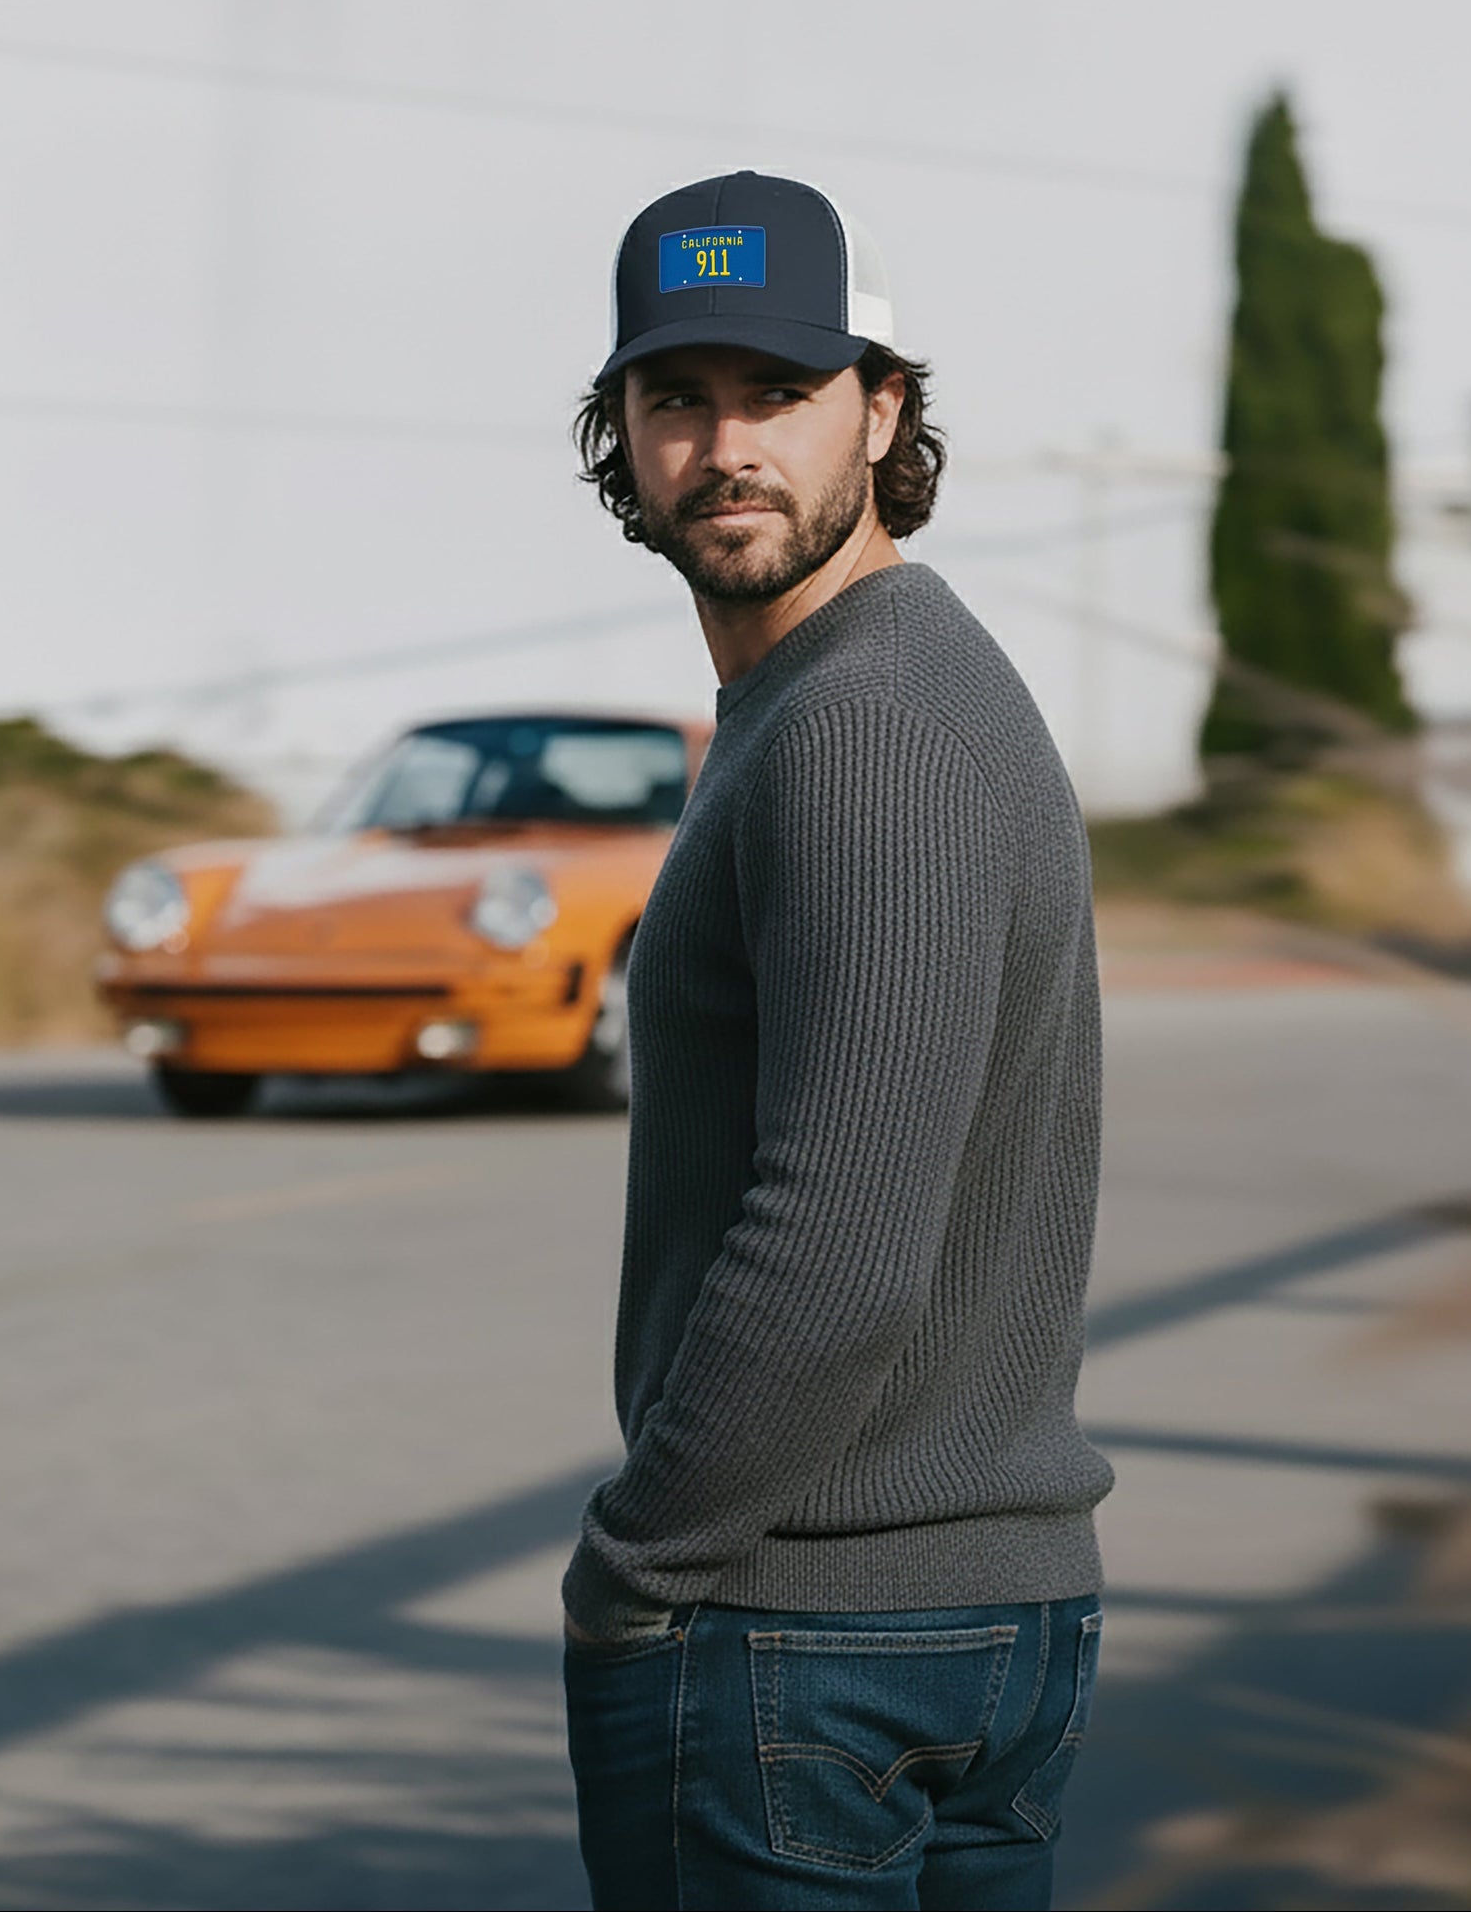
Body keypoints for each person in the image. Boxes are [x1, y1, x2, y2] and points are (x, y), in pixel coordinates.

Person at [561, 170, 1113, 1912]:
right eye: (676, 398)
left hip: (811, 1633)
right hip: (965, 1620)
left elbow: (838, 1237)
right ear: (622, 434)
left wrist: (637, 1566)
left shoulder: (862, 726)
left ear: (879, 409)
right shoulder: (845, 695)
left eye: (779, 395)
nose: (726, 446)